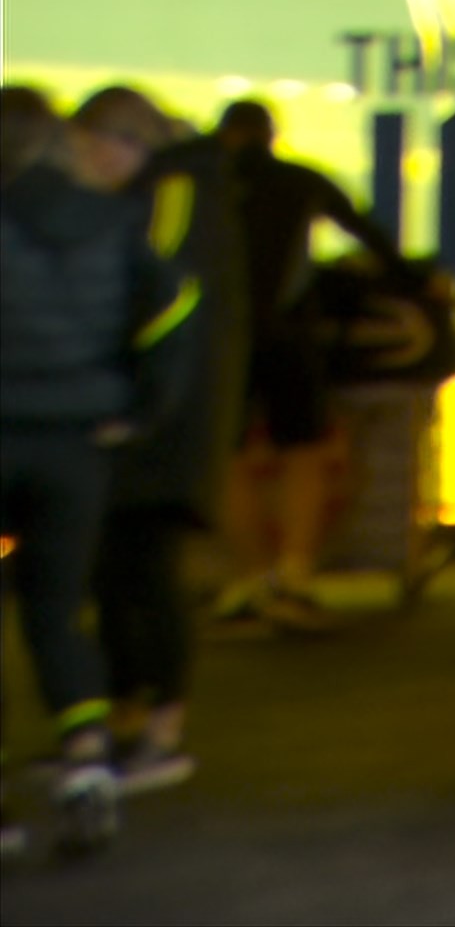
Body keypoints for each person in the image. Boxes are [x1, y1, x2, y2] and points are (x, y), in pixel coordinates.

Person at [0, 86, 195, 864]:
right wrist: (142, 410)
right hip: (78, 448)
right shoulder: (117, 222)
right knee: (56, 608)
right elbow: (175, 312)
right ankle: (85, 760)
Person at [97, 115, 249, 790]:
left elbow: (155, 297)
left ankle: (155, 723)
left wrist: (140, 406)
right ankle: (139, 718)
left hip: (162, 420)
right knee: (129, 570)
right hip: (173, 415)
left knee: (142, 573)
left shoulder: (173, 196)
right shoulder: (187, 190)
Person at [211, 99, 400, 634]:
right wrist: (411, 277)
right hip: (289, 336)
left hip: (221, 339)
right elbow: (365, 232)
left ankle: (250, 576)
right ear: (270, 135)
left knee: (225, 457)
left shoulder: (204, 183)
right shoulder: (300, 180)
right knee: (304, 451)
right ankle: (294, 574)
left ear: (224, 134)